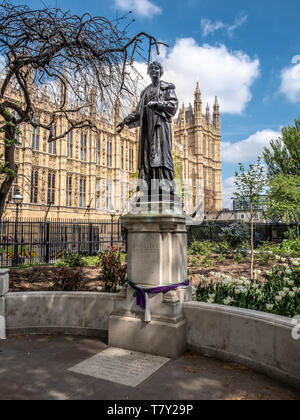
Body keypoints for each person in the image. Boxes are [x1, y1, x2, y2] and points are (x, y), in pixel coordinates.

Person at [116, 61, 178, 196]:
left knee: (161, 157)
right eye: (152, 69)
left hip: (160, 126)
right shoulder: (145, 92)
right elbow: (138, 112)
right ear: (148, 73)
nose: (154, 70)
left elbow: (173, 105)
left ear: (160, 71)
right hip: (147, 129)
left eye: (157, 68)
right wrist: (124, 121)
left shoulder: (167, 88)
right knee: (148, 159)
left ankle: (165, 186)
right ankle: (151, 187)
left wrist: (157, 104)